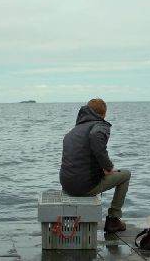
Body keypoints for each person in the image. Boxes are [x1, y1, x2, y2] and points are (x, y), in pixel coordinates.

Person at [60, 98, 131, 233]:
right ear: (103, 114)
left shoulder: (73, 131)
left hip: (66, 185)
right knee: (126, 174)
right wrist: (108, 168)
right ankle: (113, 219)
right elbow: (95, 136)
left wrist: (100, 169)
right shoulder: (100, 126)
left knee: (102, 175)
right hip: (83, 186)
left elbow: (82, 159)